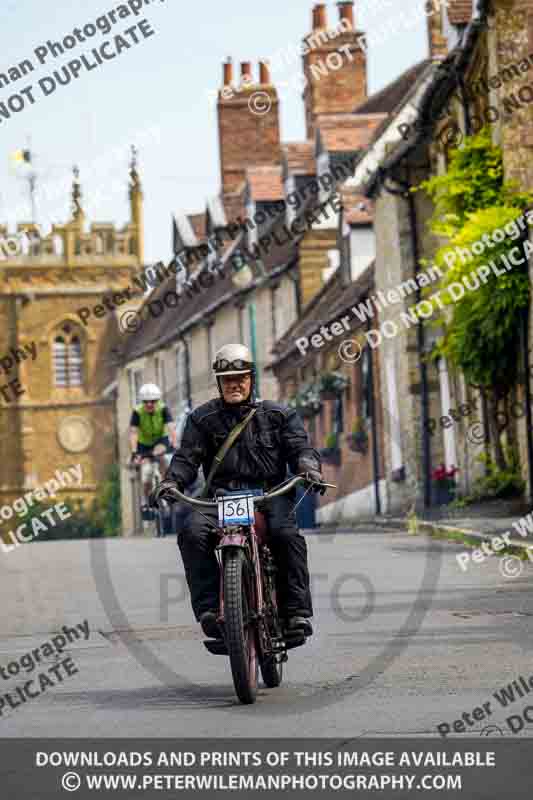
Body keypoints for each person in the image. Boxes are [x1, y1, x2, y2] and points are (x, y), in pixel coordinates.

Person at [151, 343, 323, 641]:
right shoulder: (201, 419)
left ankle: (295, 612)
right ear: (219, 382)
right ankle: (209, 611)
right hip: (219, 498)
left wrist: (308, 469)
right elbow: (186, 458)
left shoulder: (279, 415)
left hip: (269, 494)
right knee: (192, 532)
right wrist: (171, 482)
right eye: (228, 380)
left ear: (251, 380)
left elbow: (300, 448)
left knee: (286, 536)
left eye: (241, 378)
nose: (235, 385)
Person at [130, 383, 176, 519]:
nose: (149, 404)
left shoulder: (163, 409)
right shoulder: (137, 412)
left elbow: (171, 427)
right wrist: (134, 452)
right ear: (142, 402)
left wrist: (174, 443)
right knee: (146, 475)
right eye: (146, 402)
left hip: (160, 441)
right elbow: (133, 433)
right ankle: (147, 500)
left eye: (153, 401)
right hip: (143, 445)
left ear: (158, 401)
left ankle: (166, 487)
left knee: (162, 458)